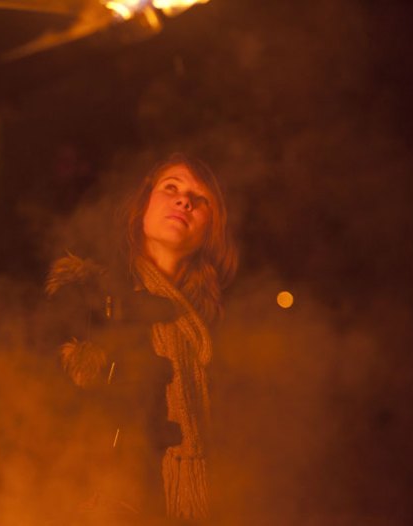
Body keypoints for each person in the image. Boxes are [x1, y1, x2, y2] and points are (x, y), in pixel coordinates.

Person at [46, 153, 237, 524]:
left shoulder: (217, 325)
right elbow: (50, 411)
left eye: (201, 199)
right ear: (142, 205)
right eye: (172, 188)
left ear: (212, 227)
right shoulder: (90, 292)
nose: (185, 201)